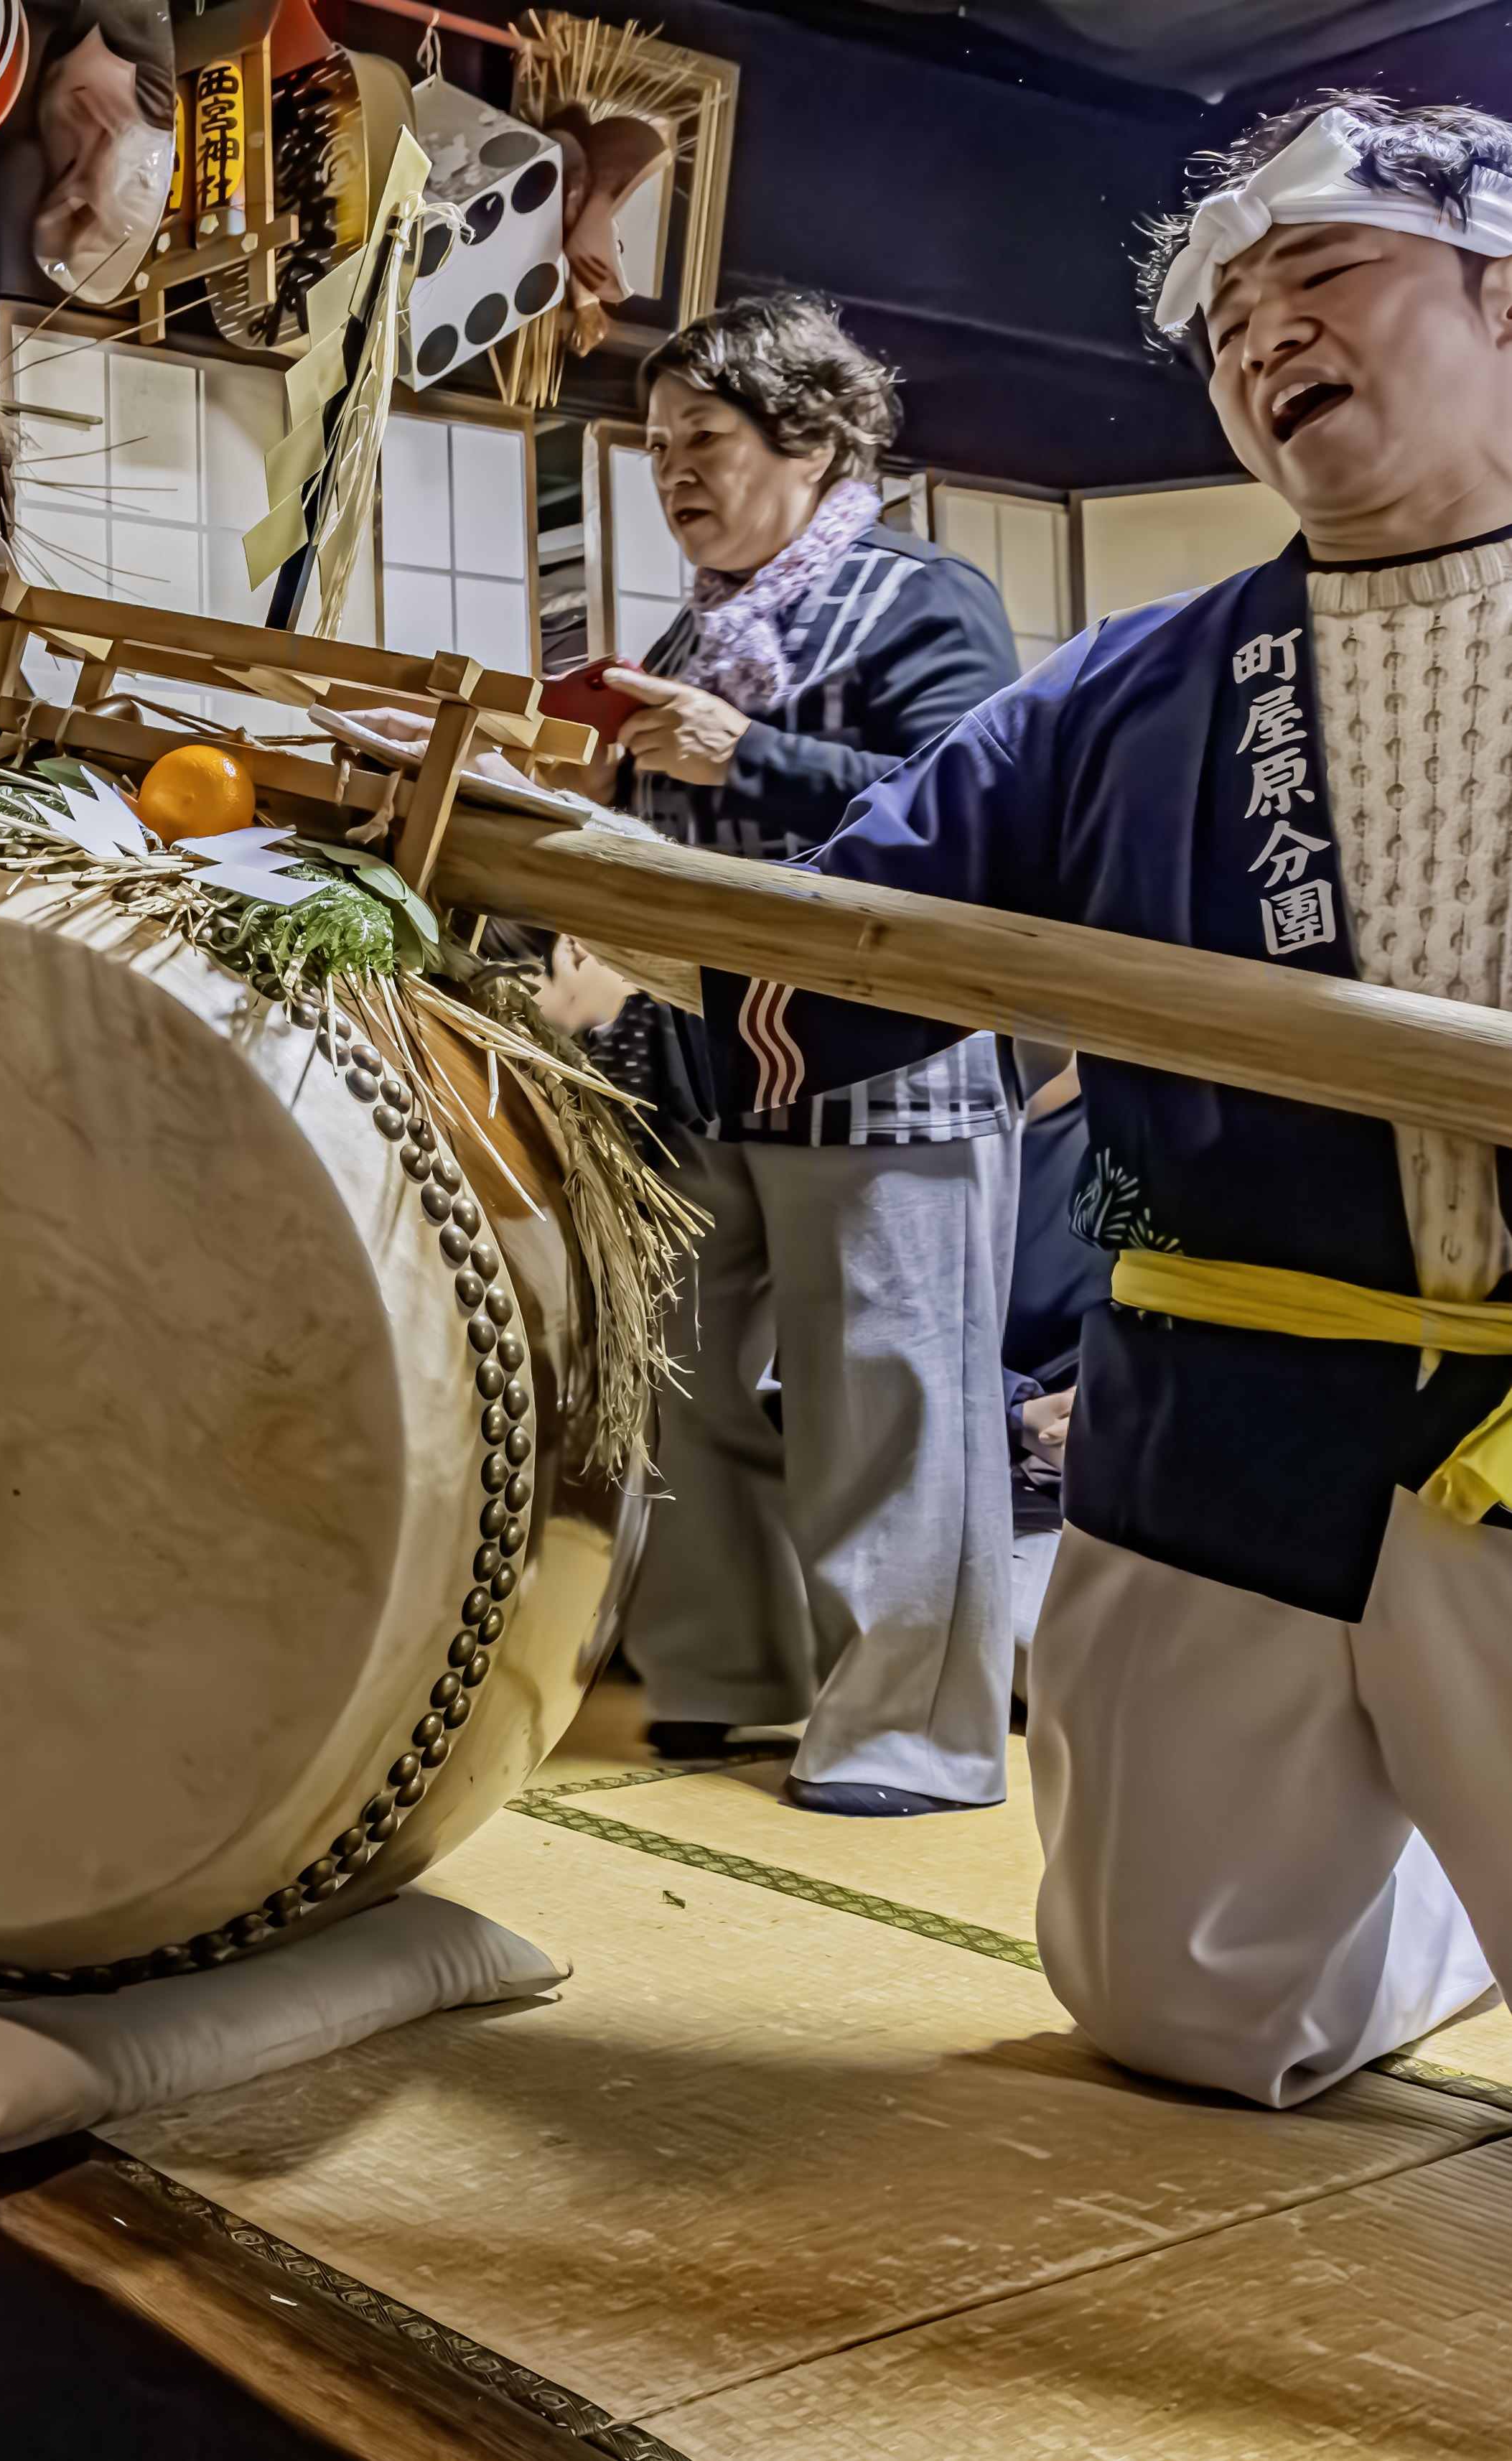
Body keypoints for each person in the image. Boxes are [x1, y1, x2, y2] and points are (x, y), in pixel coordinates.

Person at [691, 93, 1512, 2107]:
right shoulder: (1134, 690)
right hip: (1230, 1401)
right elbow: (845, 937)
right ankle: (1428, 1908)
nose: (1259, 341)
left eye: (1317, 276)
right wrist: (583, 885)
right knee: (1179, 2011)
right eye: (1224, 321)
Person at [590, 295, 1030, 1816]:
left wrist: (743, 752)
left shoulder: (926, 598)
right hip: (696, 1073)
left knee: (890, 1419)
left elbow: (970, 808)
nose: (671, 475)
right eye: (654, 449)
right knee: (675, 1388)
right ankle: (726, 1684)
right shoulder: (677, 634)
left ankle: (912, 1736)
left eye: (700, 439)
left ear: (813, 435)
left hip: (887, 1073)